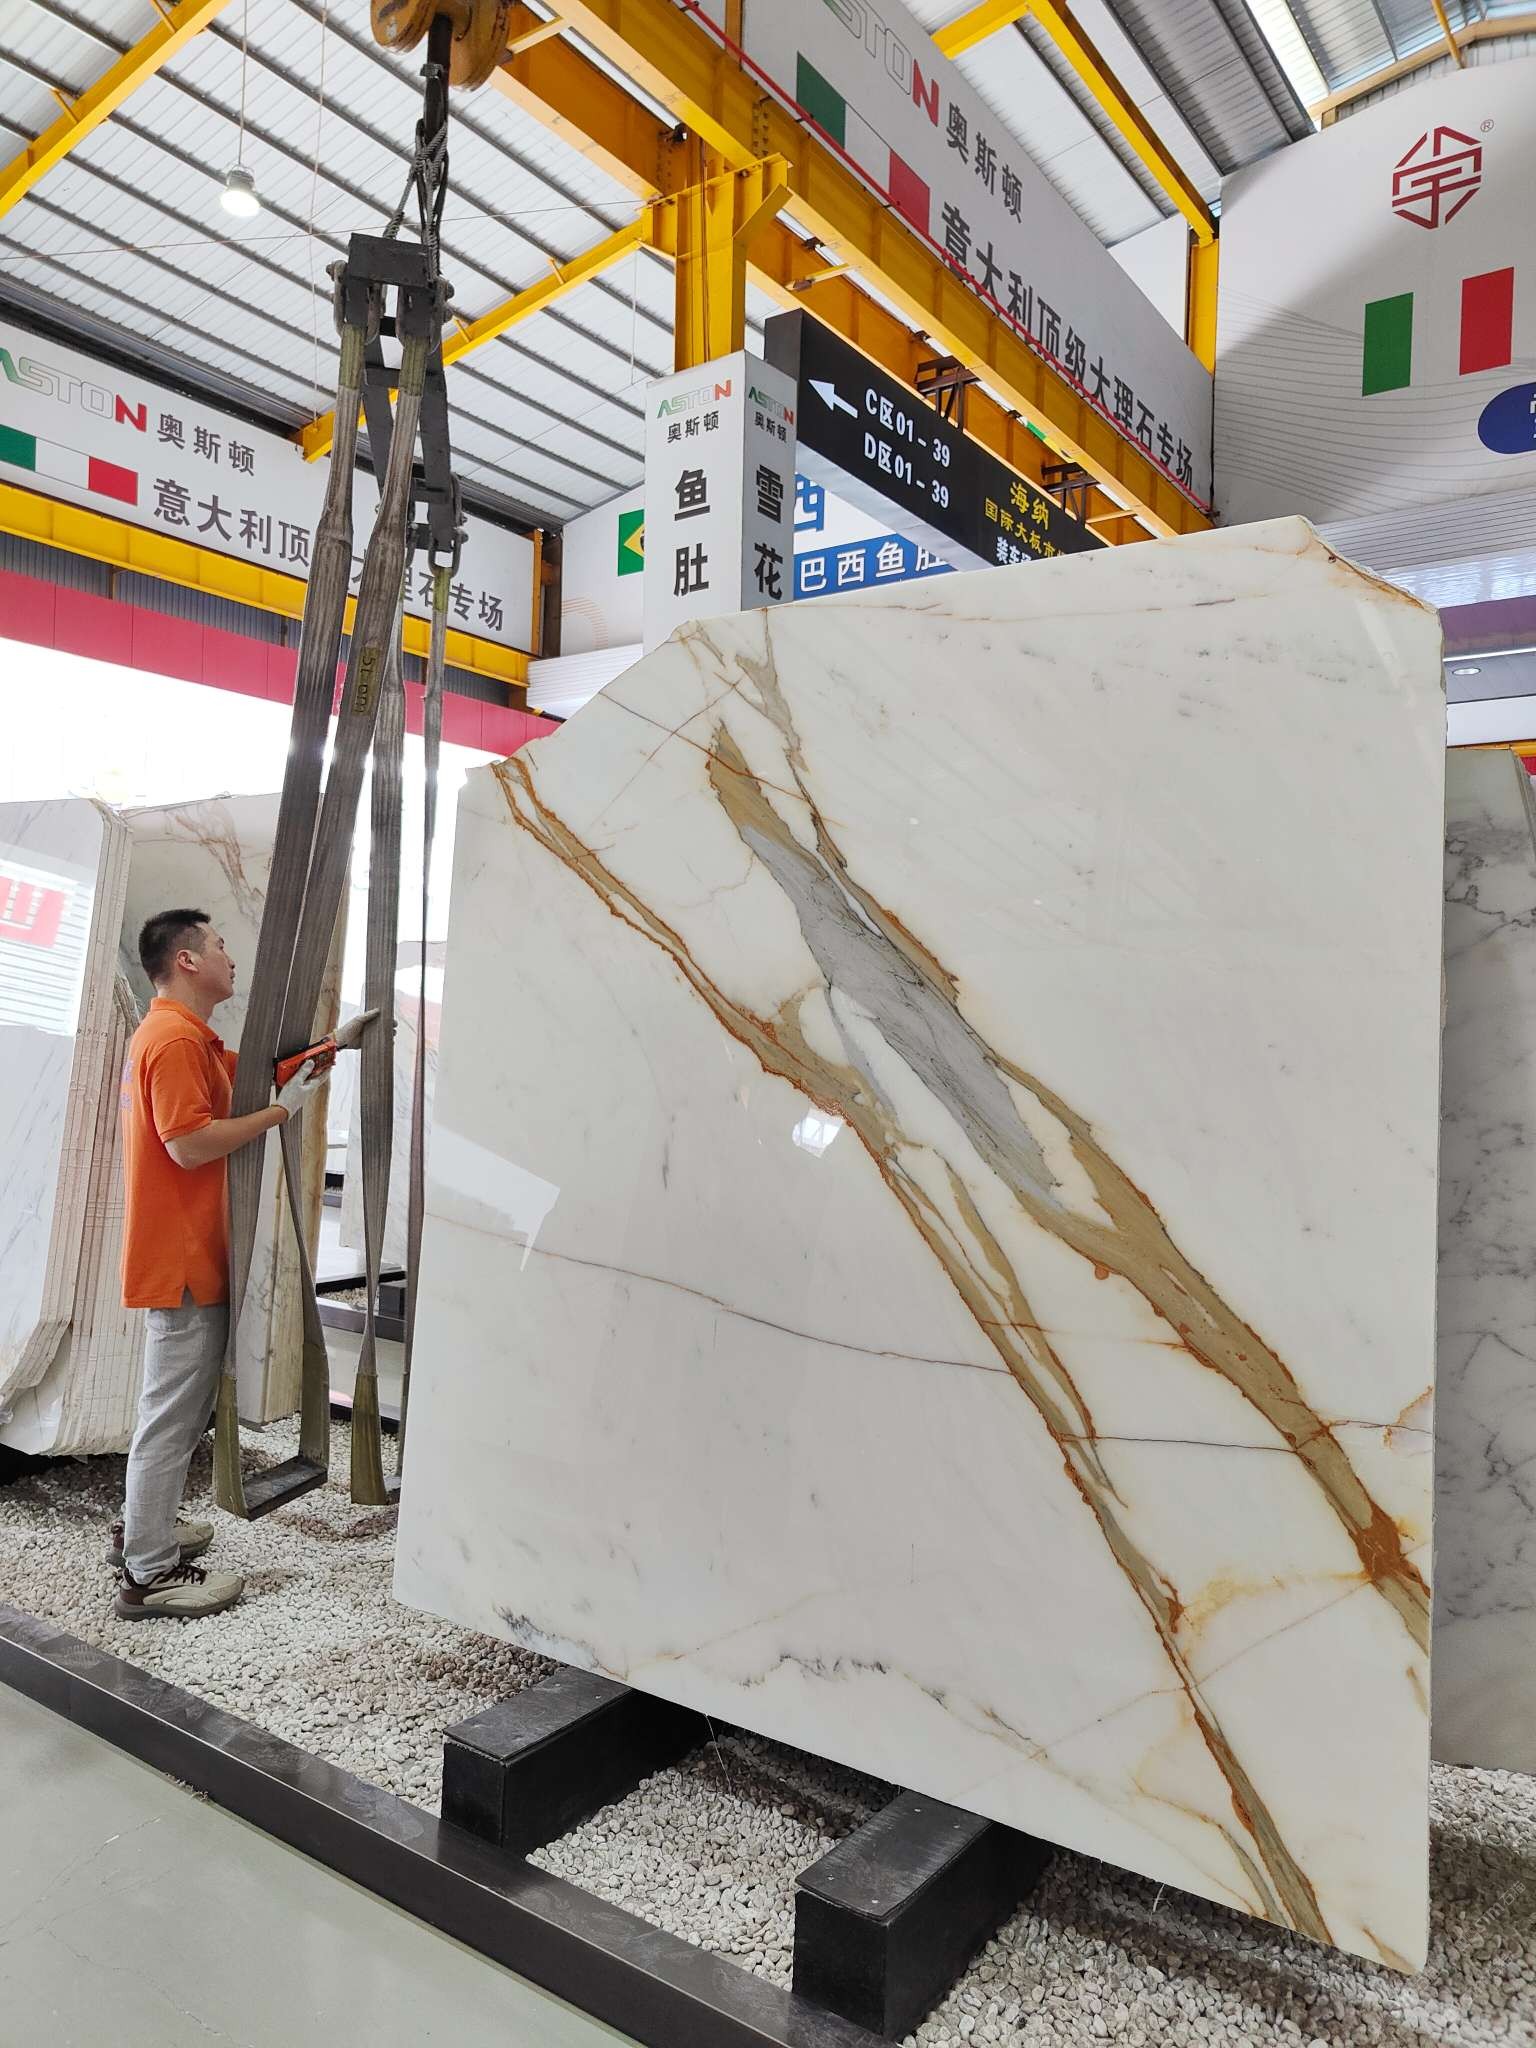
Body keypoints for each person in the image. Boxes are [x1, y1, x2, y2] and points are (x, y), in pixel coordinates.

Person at [111, 907, 332, 1621]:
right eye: (219, 945)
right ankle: (148, 1574)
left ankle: (143, 1529)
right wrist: (281, 1114)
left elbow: (248, 1078)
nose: (230, 957)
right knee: (171, 1419)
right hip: (181, 1261)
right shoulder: (175, 1039)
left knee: (175, 1412)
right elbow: (189, 1144)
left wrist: (319, 1055)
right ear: (186, 961)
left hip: (188, 1254)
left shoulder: (187, 1037)